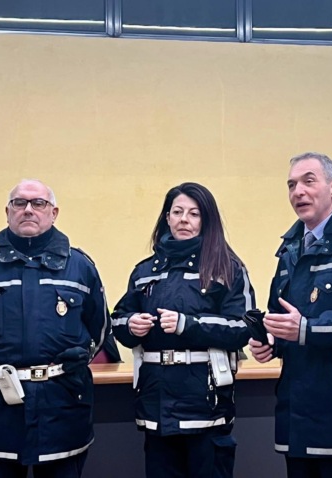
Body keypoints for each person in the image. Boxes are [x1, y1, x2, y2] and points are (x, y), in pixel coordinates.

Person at [0, 179, 110, 478]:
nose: (28, 209)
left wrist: (76, 360)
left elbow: (99, 330)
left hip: (61, 406)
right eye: (19, 203)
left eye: (38, 203)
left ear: (54, 213)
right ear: (7, 212)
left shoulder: (81, 267)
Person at [111, 182, 255, 478]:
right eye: (177, 212)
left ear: (206, 220)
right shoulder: (144, 271)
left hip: (206, 407)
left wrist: (186, 325)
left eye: (193, 213)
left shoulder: (226, 268)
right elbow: (117, 320)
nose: (184, 220)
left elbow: (242, 327)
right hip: (156, 406)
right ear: (167, 218)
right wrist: (131, 325)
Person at [249, 152, 332, 478]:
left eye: (308, 181)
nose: (298, 192)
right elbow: (280, 315)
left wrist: (307, 330)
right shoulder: (290, 249)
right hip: (295, 415)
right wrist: (270, 340)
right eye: (291, 185)